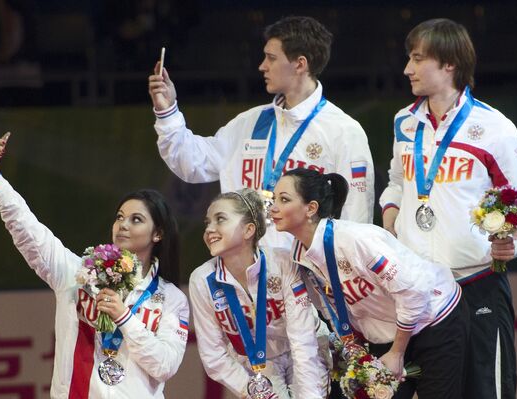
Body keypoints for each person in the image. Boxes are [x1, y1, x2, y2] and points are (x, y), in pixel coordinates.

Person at [379, 18, 517, 398]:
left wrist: (511, 246)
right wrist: (389, 218)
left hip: (476, 285)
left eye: (418, 59)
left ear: (449, 63)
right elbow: (397, 182)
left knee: (484, 391)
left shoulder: (494, 127)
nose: (407, 69)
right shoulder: (405, 121)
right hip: (416, 291)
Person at [0, 134, 189, 398]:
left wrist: (124, 317)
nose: (123, 225)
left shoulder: (171, 299)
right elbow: (29, 231)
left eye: (136, 220)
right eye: (120, 217)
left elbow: (165, 365)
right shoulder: (78, 274)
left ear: (157, 234)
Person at [148, 15, 374, 249]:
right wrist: (167, 112)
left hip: (307, 276)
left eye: (271, 58)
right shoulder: (248, 123)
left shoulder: (343, 130)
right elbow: (192, 163)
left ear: (300, 64)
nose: (262, 66)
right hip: (245, 268)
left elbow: (356, 217)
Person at [271, 168, 469, 399]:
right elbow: (330, 307)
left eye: (284, 199)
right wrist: (351, 345)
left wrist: (397, 352)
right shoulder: (299, 257)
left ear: (311, 208)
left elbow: (414, 292)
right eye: (274, 199)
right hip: (387, 334)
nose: (274, 207)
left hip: (436, 318)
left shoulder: (355, 241)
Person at [189, 188, 331, 399]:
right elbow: (213, 355)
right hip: (257, 366)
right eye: (207, 222)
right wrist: (255, 391)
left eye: (220, 220)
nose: (210, 229)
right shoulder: (202, 280)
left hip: (302, 349)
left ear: (248, 230)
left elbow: (302, 338)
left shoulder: (283, 263)